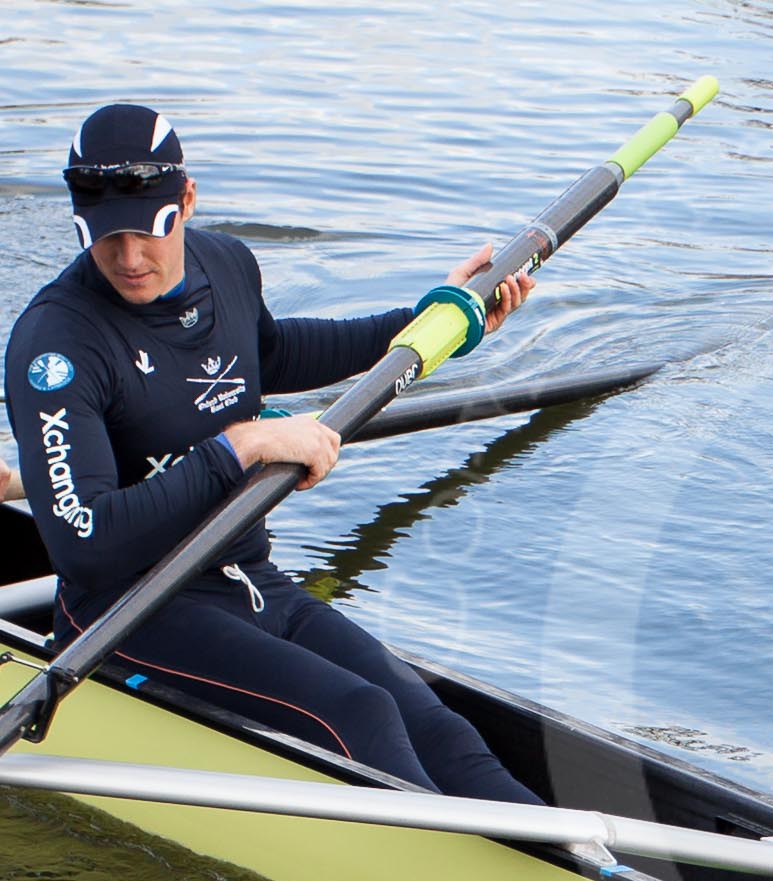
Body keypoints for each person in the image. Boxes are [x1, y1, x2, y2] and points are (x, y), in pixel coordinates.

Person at [4, 103, 540, 802]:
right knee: (359, 713)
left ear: (187, 199)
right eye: (107, 238)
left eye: (150, 229)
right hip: (129, 610)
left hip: (243, 571)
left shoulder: (225, 263)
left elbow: (273, 353)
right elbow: (84, 547)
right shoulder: (57, 346)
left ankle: (591, 870)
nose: (130, 258)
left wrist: (434, 322)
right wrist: (242, 445)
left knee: (441, 727)